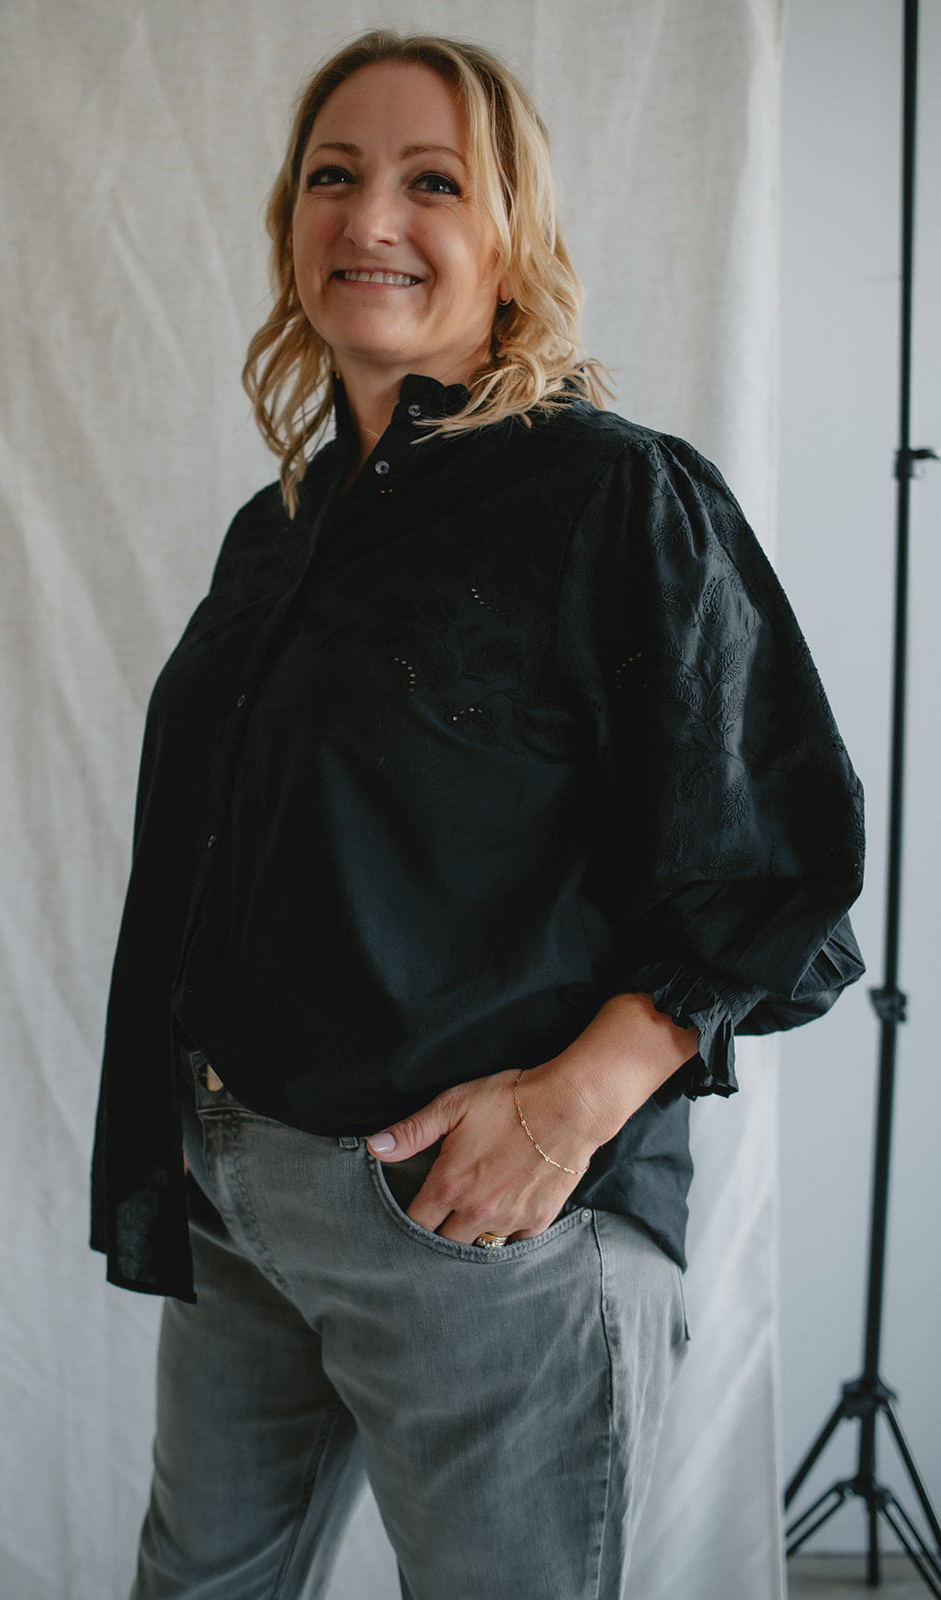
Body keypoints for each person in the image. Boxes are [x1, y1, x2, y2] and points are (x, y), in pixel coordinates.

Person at [91, 29, 865, 1600]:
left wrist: (576, 1102)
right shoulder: (277, 532)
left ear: (512, 237)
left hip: (470, 1227)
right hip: (240, 1198)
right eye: (332, 175)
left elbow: (781, 871)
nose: (369, 217)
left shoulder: (608, 495)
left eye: (432, 182)